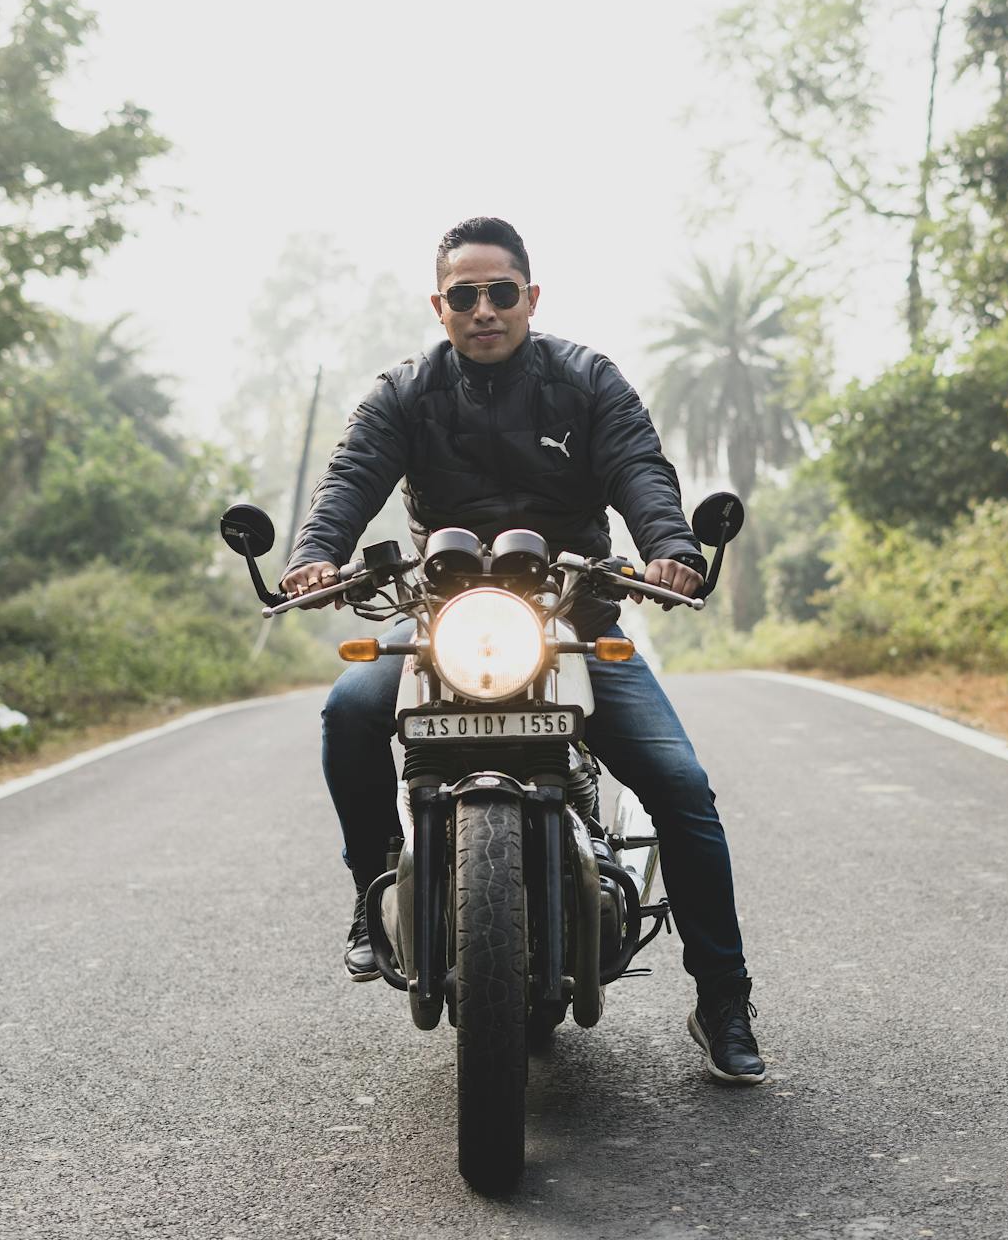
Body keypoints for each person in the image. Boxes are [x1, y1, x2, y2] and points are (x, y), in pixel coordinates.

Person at [277, 216, 765, 1085]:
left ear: (531, 297)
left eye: (501, 292)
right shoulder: (404, 392)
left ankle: (723, 1000)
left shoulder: (586, 380)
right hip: (440, 619)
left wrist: (672, 548)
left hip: (573, 616)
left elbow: (640, 467)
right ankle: (373, 892)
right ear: (441, 306)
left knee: (683, 788)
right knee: (347, 711)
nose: (484, 309)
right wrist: (316, 553)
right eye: (464, 296)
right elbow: (351, 478)